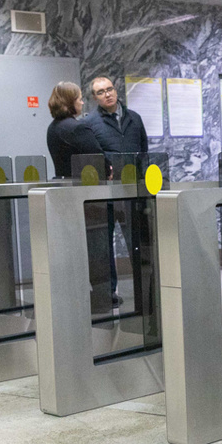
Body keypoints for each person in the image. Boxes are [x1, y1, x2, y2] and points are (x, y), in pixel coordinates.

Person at [84, 76, 149, 306]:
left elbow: (144, 153)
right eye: (100, 92)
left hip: (132, 193)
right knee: (102, 246)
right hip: (106, 196)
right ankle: (107, 293)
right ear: (95, 97)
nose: (107, 94)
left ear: (116, 90)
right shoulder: (90, 123)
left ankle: (147, 290)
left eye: (109, 89)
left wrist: (144, 187)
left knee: (139, 243)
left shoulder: (135, 119)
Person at [45, 81, 103, 178]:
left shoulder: (52, 127)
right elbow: (99, 158)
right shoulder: (78, 128)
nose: (82, 103)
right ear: (70, 102)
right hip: (83, 185)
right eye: (80, 99)